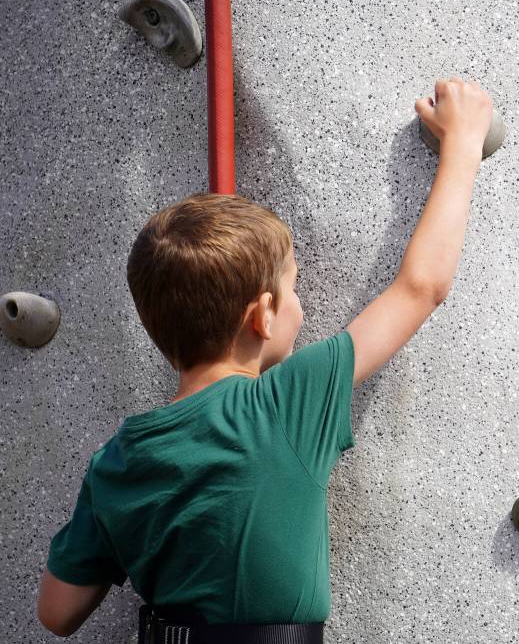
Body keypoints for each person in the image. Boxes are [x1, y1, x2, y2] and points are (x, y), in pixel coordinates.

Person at [37, 77, 493, 639]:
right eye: (294, 289)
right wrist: (464, 145)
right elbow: (420, 288)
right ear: (263, 316)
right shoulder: (287, 401)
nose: (301, 303)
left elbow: (57, 612)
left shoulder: (120, 461)